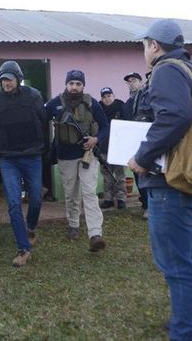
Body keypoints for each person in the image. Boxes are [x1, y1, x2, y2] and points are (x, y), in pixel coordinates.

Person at [129, 19, 192, 341]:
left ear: (154, 45)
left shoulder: (165, 70)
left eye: (144, 45)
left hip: (168, 182)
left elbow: (174, 116)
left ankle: (184, 332)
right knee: (188, 258)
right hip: (189, 174)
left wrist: (142, 157)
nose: (144, 51)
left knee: (175, 264)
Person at [0, 60, 45, 267]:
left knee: (36, 198)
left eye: (9, 79)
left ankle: (31, 227)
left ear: (18, 79)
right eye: (3, 80)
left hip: (32, 156)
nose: (6, 83)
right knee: (13, 202)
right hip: (9, 158)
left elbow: (43, 120)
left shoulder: (33, 96)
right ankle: (23, 248)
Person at [45, 69, 109, 252]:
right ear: (66, 84)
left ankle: (95, 234)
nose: (74, 87)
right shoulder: (55, 103)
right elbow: (39, 116)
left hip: (87, 155)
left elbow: (104, 126)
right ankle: (73, 224)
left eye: (78, 84)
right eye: (71, 83)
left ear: (83, 86)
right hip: (65, 155)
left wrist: (96, 140)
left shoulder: (92, 103)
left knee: (89, 193)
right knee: (71, 193)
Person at [122, 71, 150, 217]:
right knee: (138, 174)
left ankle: (150, 206)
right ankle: (146, 204)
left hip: (148, 142)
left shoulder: (148, 96)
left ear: (140, 82)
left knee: (149, 174)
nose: (131, 82)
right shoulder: (127, 103)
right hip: (133, 144)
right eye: (129, 81)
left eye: (134, 80)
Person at [98, 87, 126, 209]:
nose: (107, 99)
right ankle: (108, 199)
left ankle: (121, 199)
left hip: (119, 147)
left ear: (113, 96)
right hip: (104, 147)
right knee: (107, 175)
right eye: (104, 97)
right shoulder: (98, 109)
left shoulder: (121, 107)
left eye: (109, 96)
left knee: (120, 175)